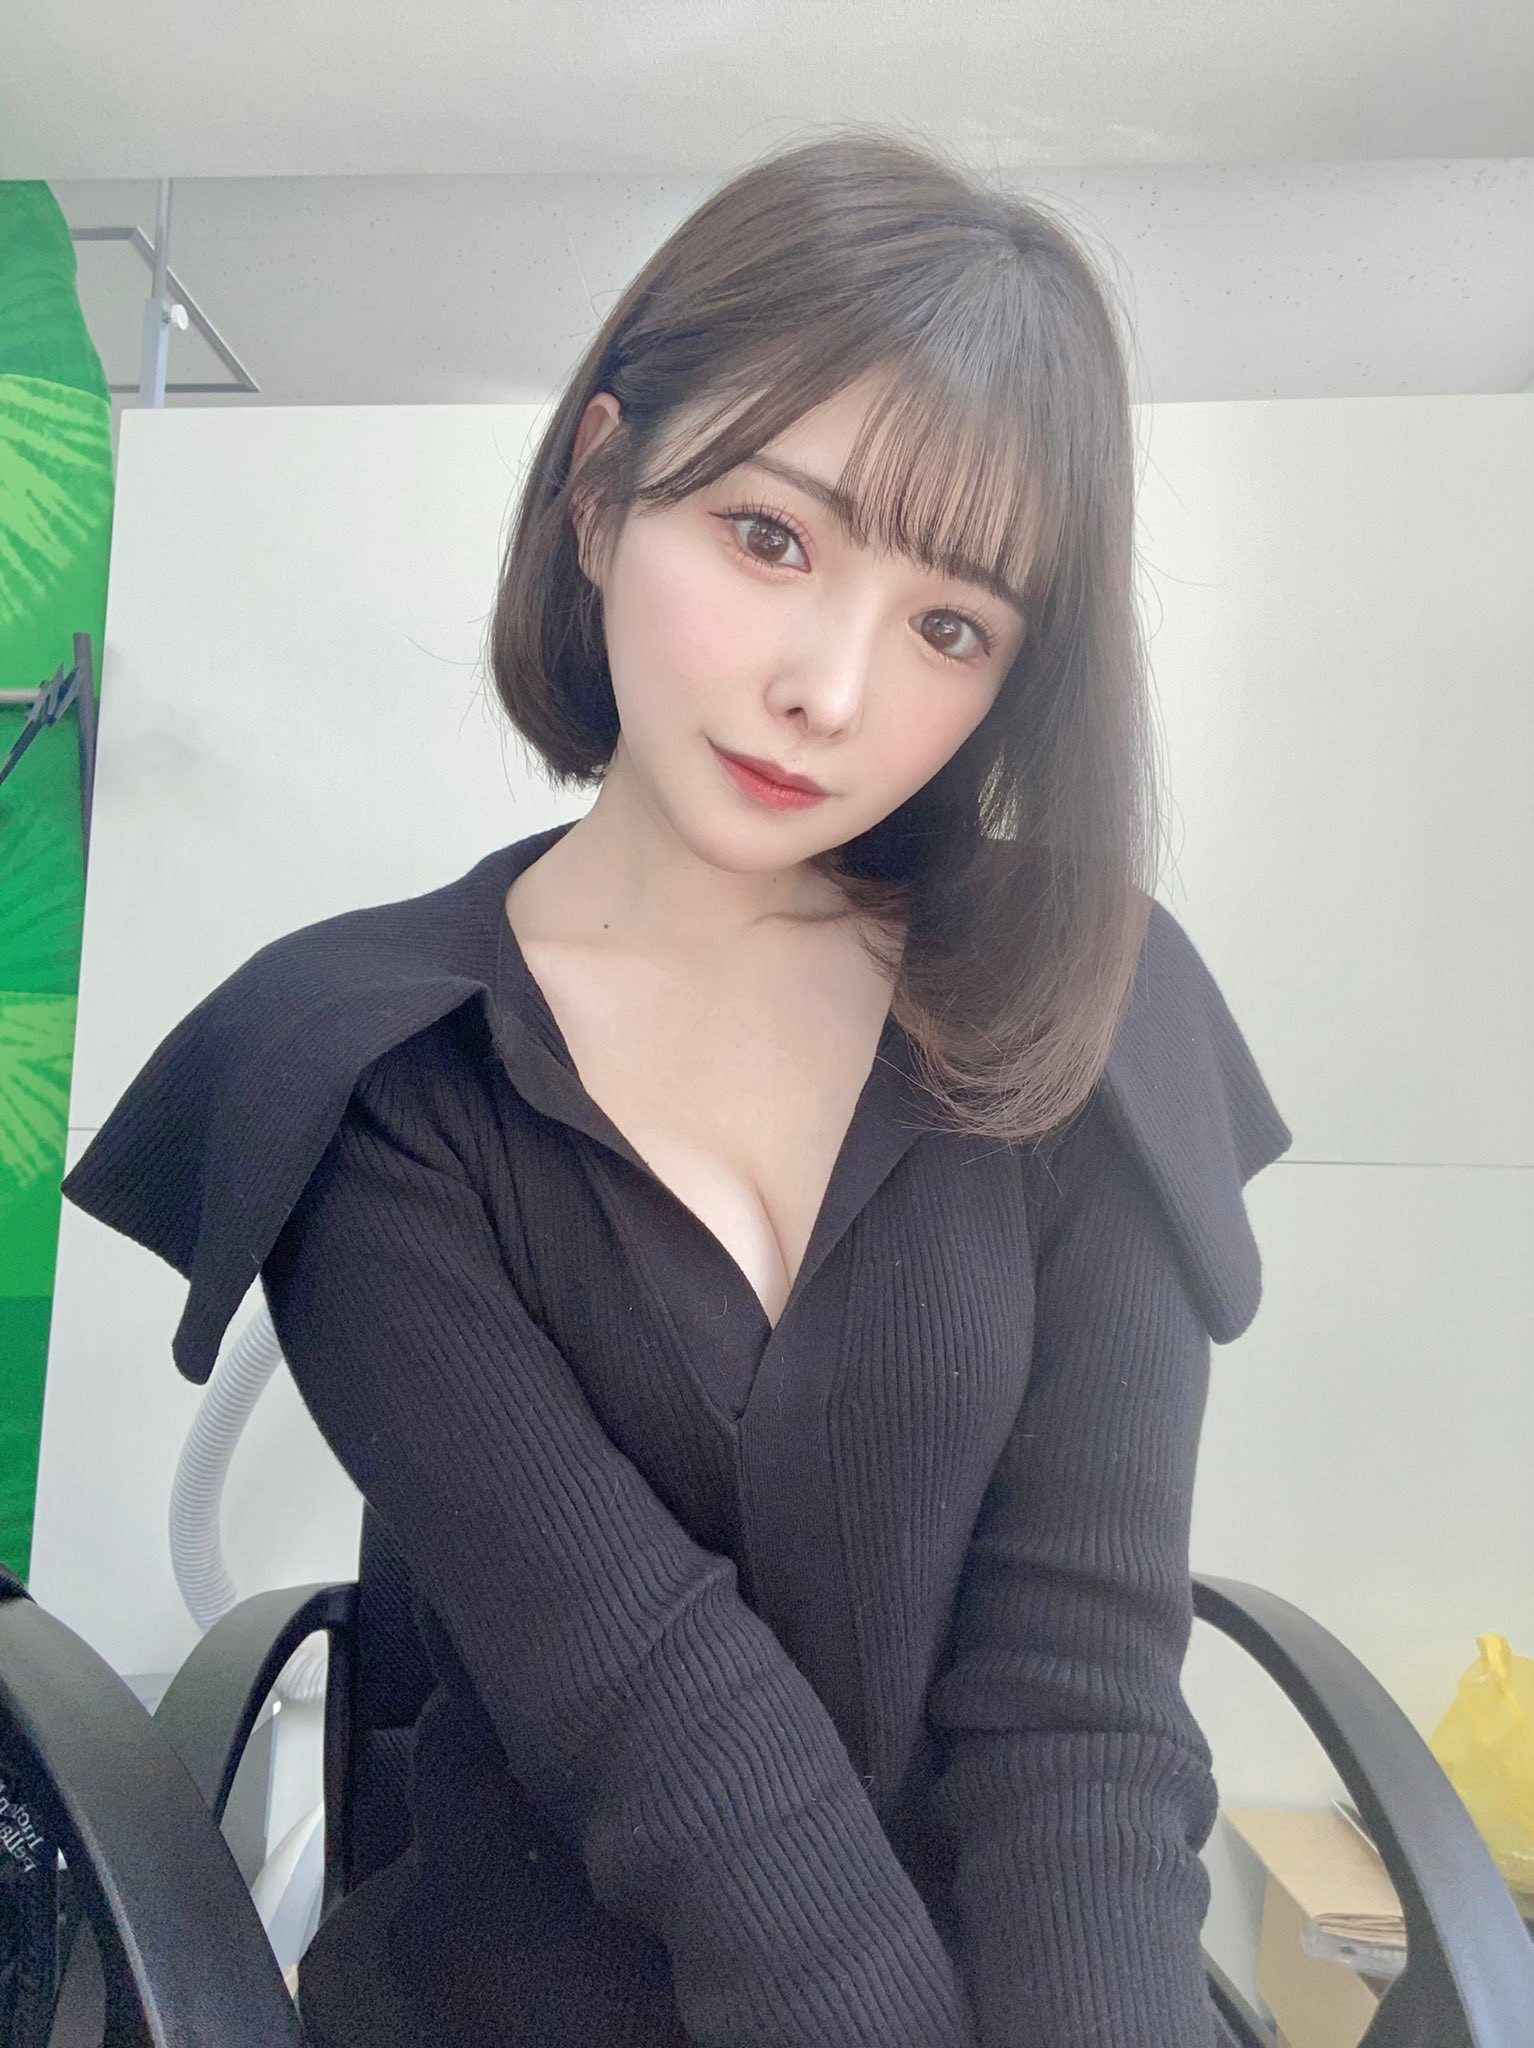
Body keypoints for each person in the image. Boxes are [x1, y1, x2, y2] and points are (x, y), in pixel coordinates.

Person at [61, 128, 1292, 2046]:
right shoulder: (369, 1070)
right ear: (600, 487)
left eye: (949, 625)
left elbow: (1079, 1706)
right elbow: (664, 1727)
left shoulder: (1081, 1003)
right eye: (769, 537)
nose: (829, 689)